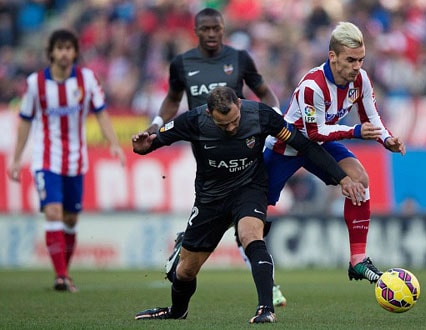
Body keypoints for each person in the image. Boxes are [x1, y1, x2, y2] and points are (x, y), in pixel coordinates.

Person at [132, 86, 365, 323]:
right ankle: (177, 311)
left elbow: (304, 145)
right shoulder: (193, 120)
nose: (232, 127)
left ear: (240, 105)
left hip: (249, 189)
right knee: (185, 270)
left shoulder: (261, 115)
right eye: (224, 125)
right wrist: (143, 146)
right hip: (210, 198)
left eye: (235, 120)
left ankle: (266, 308)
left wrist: (342, 178)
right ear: (209, 113)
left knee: (251, 235)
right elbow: (154, 140)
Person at [146, 7, 286, 307]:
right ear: (196, 31)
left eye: (216, 29)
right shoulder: (182, 63)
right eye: (205, 29)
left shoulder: (240, 59)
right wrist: (157, 126)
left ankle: (268, 290)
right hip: (206, 149)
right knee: (220, 212)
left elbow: (264, 92)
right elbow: (172, 99)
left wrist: (275, 119)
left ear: (223, 29)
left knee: (247, 224)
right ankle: (190, 243)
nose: (211, 34)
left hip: (241, 147)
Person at [264, 21, 406, 283]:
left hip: (320, 142)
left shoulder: (360, 79)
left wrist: (387, 140)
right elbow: (314, 132)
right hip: (288, 146)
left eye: (361, 59)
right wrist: (354, 132)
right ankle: (195, 239)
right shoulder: (312, 86)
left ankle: (358, 261)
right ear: (333, 56)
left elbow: (371, 117)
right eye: (351, 60)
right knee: (250, 208)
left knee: (360, 181)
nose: (357, 66)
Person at [7, 29, 126, 292]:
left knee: (71, 219)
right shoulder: (35, 83)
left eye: (68, 48)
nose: (64, 53)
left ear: (74, 52)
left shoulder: (86, 79)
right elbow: (25, 122)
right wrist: (16, 159)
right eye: (59, 48)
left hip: (76, 160)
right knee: (53, 211)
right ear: (51, 52)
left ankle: (65, 272)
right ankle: (60, 276)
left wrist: (115, 144)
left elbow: (102, 114)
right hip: (46, 160)